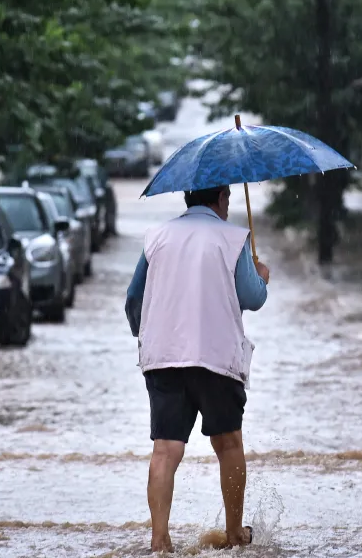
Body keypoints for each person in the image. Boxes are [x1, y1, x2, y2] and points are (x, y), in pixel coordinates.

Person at [125, 185, 270, 553]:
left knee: (165, 450)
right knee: (228, 443)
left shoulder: (156, 236)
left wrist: (145, 333)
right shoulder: (234, 238)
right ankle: (235, 534)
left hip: (164, 357)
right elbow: (252, 298)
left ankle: (159, 540)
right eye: (228, 200)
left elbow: (133, 299)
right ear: (221, 198)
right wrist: (261, 275)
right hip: (216, 356)